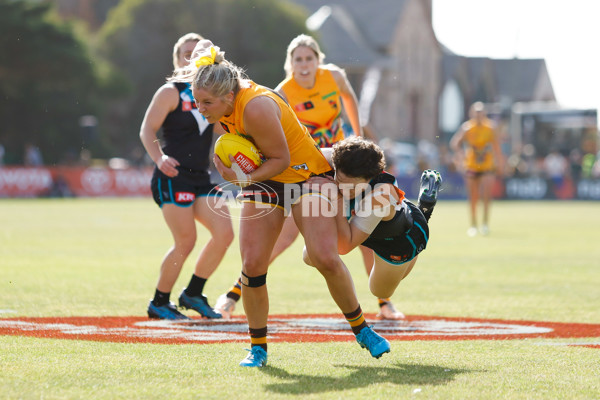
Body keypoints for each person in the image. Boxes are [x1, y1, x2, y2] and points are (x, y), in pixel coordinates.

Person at [173, 39, 390, 367]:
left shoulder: (256, 106)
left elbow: (281, 158)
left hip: (305, 176)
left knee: (325, 257)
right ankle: (257, 348)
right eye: (197, 100)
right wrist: (232, 163)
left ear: (228, 96)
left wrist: (240, 180)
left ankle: (362, 329)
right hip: (268, 179)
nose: (200, 108)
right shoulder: (223, 101)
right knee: (253, 266)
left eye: (205, 102)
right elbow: (254, 155)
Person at [214, 34, 404, 321]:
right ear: (290, 64)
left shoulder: (335, 76)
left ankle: (384, 302)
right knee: (282, 239)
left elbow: (351, 102)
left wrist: (358, 139)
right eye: (298, 59)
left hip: (340, 168)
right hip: (305, 172)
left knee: (367, 233)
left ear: (319, 60)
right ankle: (234, 293)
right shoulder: (281, 91)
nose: (304, 64)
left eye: (309, 58)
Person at [139, 33, 234, 320]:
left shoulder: (211, 95)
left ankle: (193, 293)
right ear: (177, 59)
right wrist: (160, 158)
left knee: (225, 233)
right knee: (186, 240)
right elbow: (147, 130)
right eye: (186, 53)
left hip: (200, 177)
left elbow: (223, 130)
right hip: (172, 176)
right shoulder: (170, 91)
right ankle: (159, 302)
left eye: (198, 53)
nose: (192, 58)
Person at [305, 137, 442, 300]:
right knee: (310, 256)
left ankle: (424, 209)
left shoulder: (380, 195)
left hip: (397, 239)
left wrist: (337, 198)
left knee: (380, 292)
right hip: (364, 219)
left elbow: (344, 247)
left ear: (369, 178)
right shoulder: (337, 158)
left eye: (351, 186)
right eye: (339, 180)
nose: (342, 188)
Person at [450, 102, 503, 236]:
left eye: (481, 113)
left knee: (486, 196)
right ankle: (473, 225)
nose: (479, 116)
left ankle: (485, 224)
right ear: (472, 114)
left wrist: (501, 163)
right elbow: (455, 143)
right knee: (473, 196)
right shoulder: (467, 128)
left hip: (487, 165)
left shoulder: (490, 128)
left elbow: (496, 146)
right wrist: (461, 156)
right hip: (471, 165)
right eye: (476, 113)